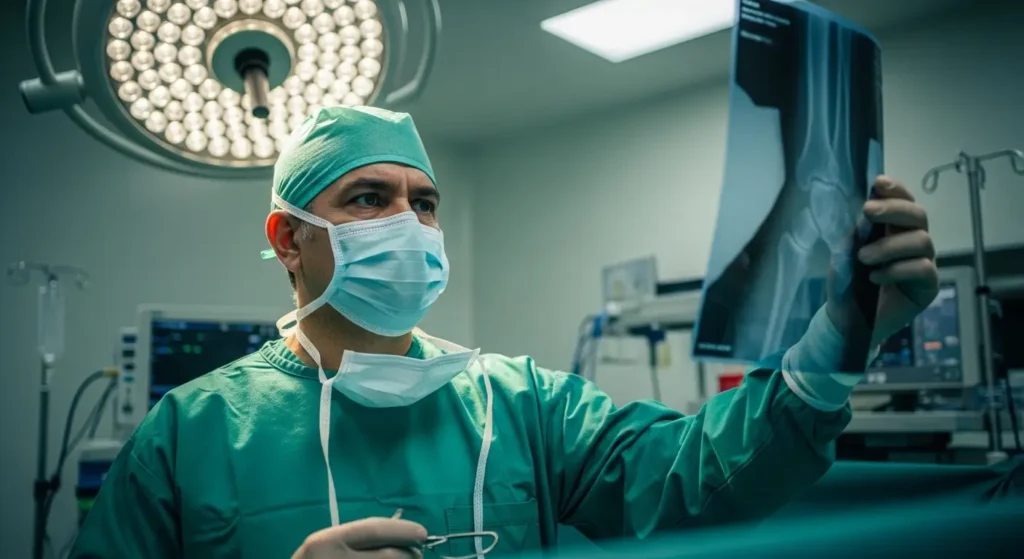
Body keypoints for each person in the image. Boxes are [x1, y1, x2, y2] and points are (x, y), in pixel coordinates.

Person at [71, 106, 938, 559]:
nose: (409, 222)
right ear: (288, 239)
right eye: (369, 199)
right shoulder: (186, 437)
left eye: (426, 203)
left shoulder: (520, 403)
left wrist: (840, 333)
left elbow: (700, 478)